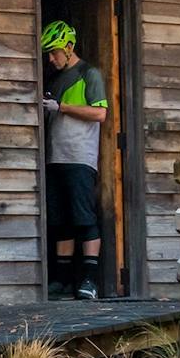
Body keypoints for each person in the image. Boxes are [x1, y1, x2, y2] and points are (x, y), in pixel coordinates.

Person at [40, 19, 109, 300]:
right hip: (55, 157)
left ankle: (90, 280)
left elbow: (100, 113)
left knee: (83, 218)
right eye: (48, 53)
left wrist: (62, 107)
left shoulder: (89, 73)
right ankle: (64, 280)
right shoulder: (54, 78)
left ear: (69, 47)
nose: (51, 58)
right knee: (60, 220)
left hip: (80, 156)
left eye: (54, 51)